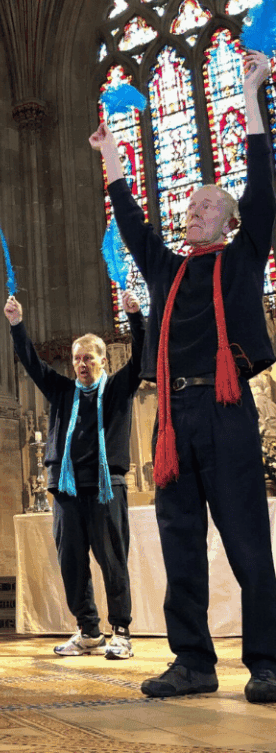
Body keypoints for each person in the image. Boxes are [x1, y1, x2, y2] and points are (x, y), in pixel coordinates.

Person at [90, 49, 276, 702]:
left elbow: (262, 186)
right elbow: (131, 222)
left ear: (230, 220)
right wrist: (111, 157)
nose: (193, 211)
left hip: (225, 414)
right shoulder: (167, 271)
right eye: (191, 205)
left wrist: (252, 94)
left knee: (248, 542)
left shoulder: (243, 257)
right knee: (179, 543)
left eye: (207, 206)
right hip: (172, 419)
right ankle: (193, 662)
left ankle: (268, 662)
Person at [5, 290, 144, 660]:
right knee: (72, 564)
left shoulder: (117, 389)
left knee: (112, 562)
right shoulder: (63, 391)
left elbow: (142, 357)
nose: (82, 364)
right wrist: (17, 325)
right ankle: (89, 631)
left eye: (89, 358)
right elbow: (32, 363)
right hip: (66, 490)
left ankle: (121, 632)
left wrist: (135, 318)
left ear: (103, 360)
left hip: (105, 488)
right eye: (77, 358)